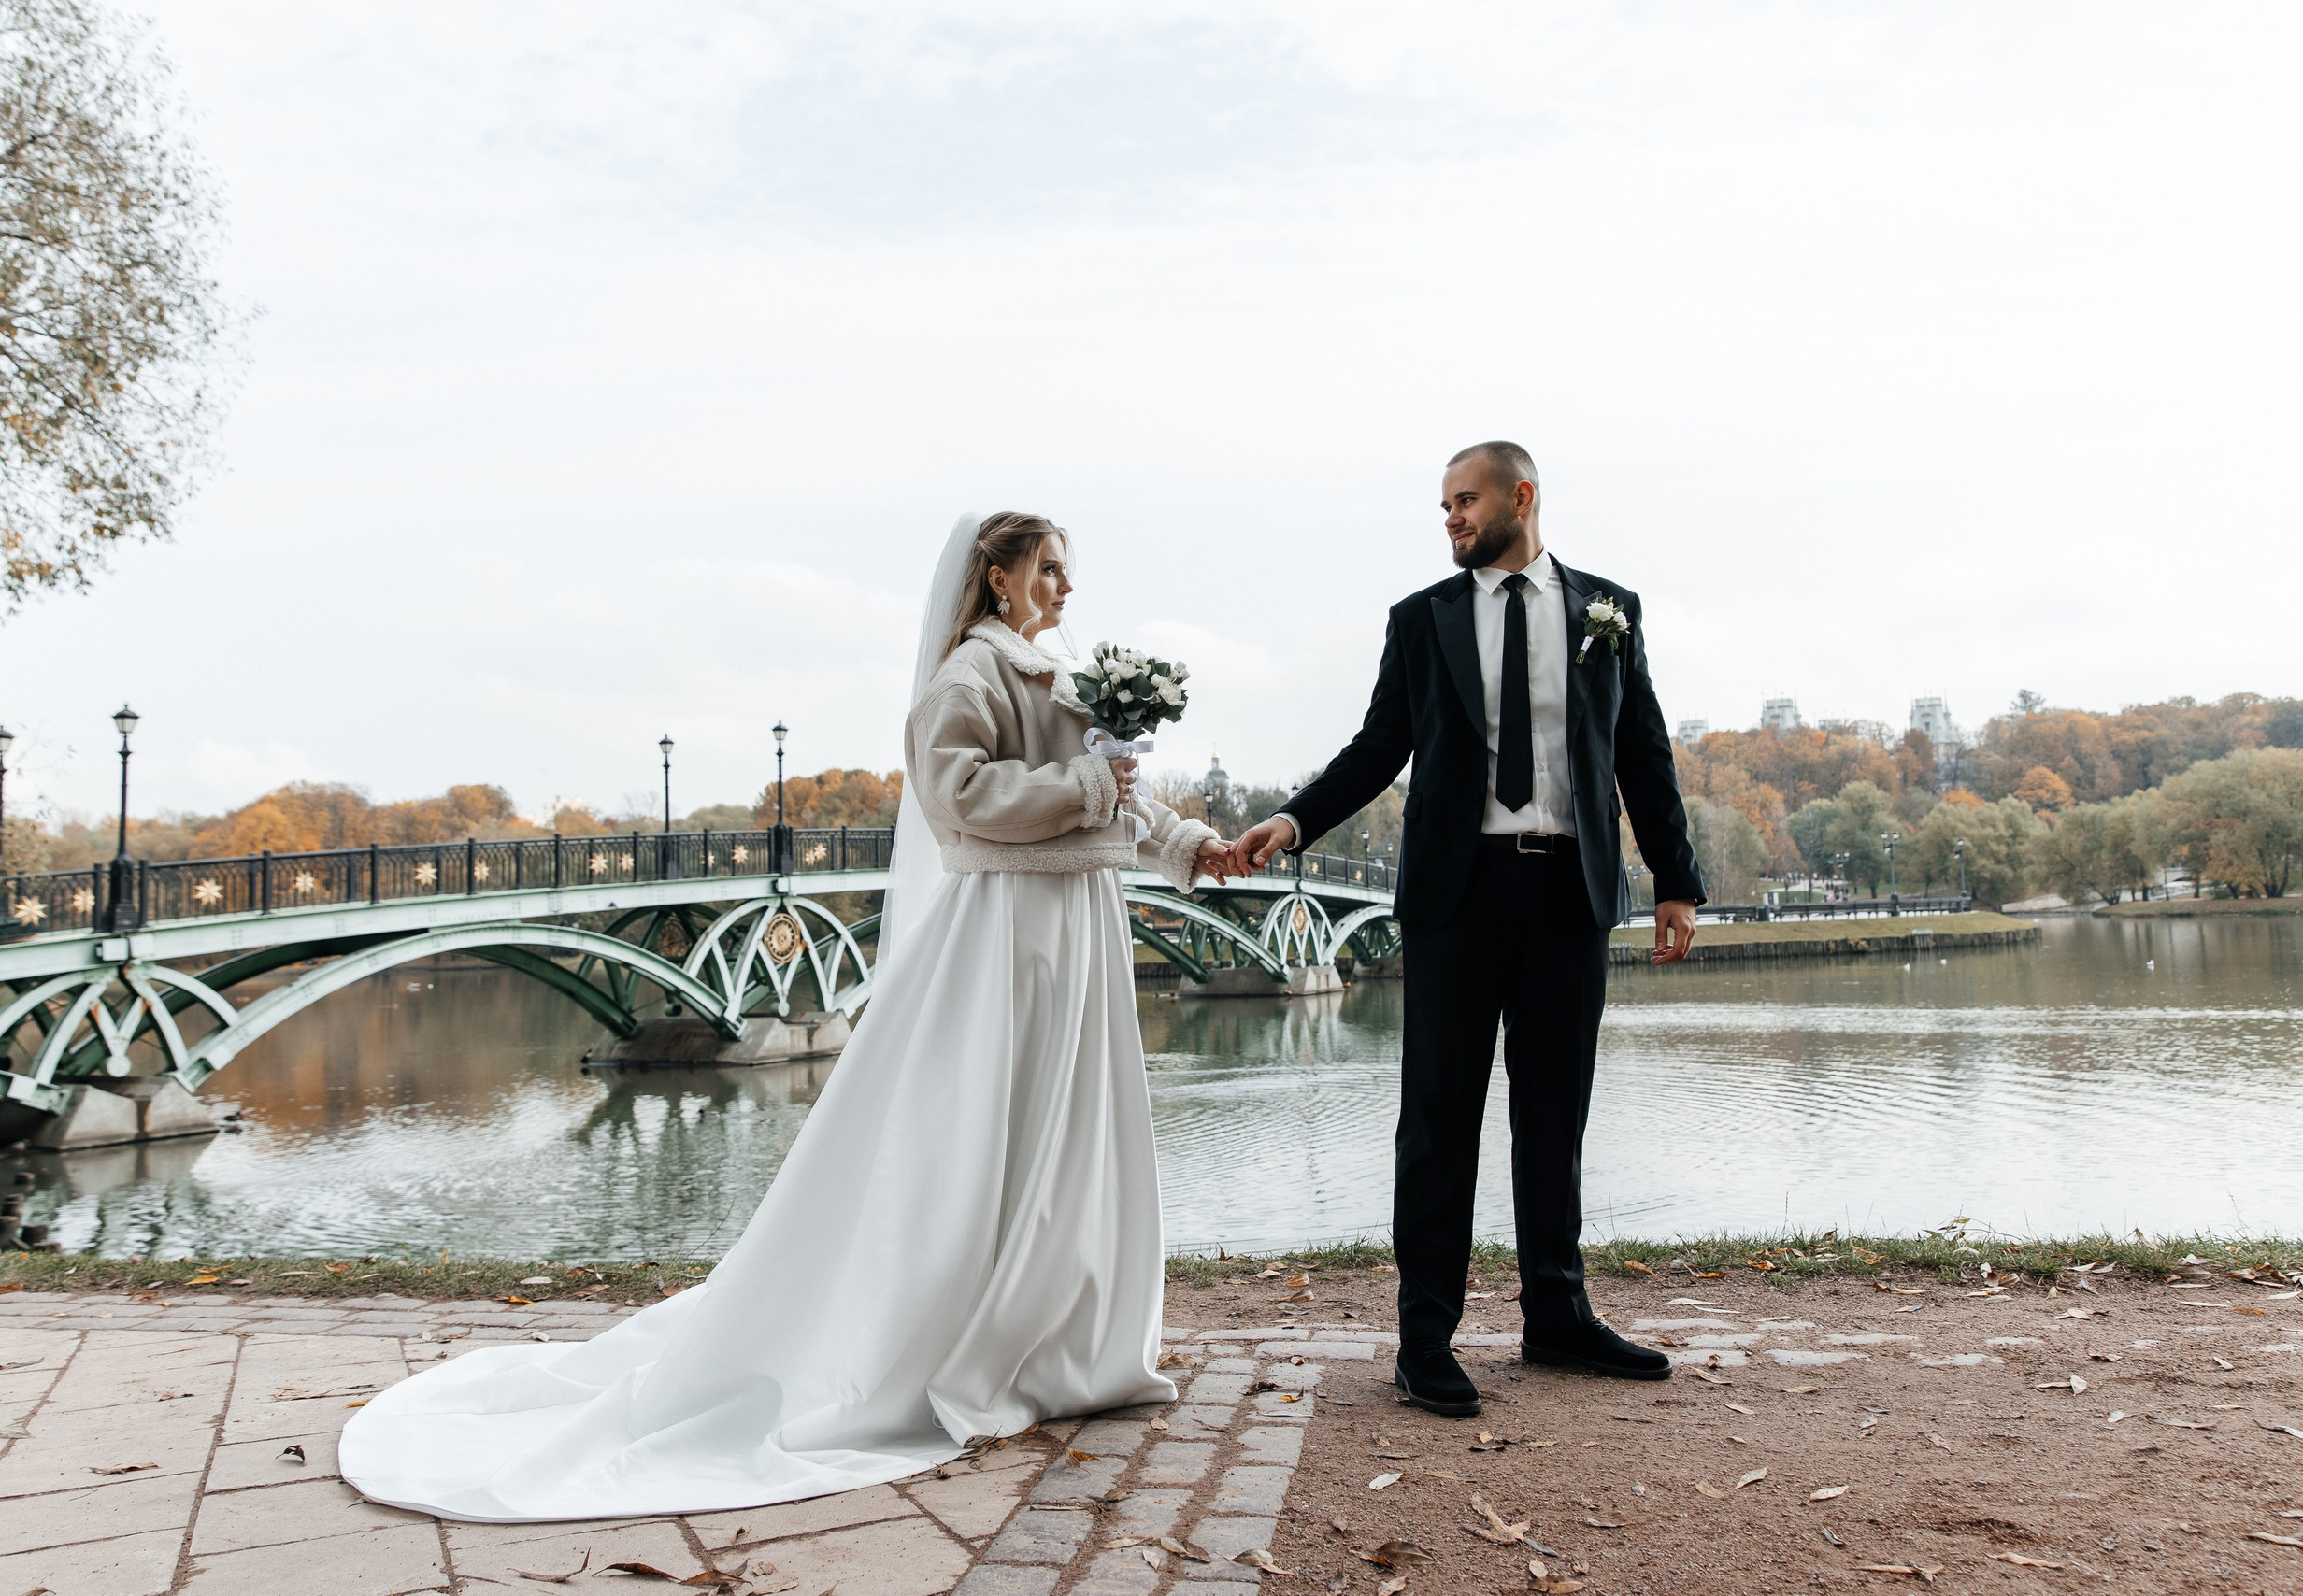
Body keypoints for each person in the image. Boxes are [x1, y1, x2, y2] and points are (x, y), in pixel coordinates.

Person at [339, 512, 1237, 1520]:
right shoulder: (967, 680)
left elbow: (1129, 796)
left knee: (1074, 1133)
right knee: (997, 1129)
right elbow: (955, 799)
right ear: (995, 579)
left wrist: (1195, 847)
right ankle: (976, 1331)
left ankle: (1063, 1332)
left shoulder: (1067, 680)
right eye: (1049, 569)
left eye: (1071, 571)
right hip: (1012, 937)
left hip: (1080, 927)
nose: (1066, 588)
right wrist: (1081, 781)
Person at [1230, 442, 1705, 1418]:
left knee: (1553, 1116)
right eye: (1442, 503)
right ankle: (1423, 1340)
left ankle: (1557, 1317)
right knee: (1439, 1122)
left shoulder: (1608, 611)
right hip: (1455, 898)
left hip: (1568, 895)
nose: (1448, 517)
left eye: (1464, 499)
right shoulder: (1422, 619)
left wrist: (1674, 880)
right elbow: (1378, 745)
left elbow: (1641, 751)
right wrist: (1293, 821)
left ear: (1518, 498)